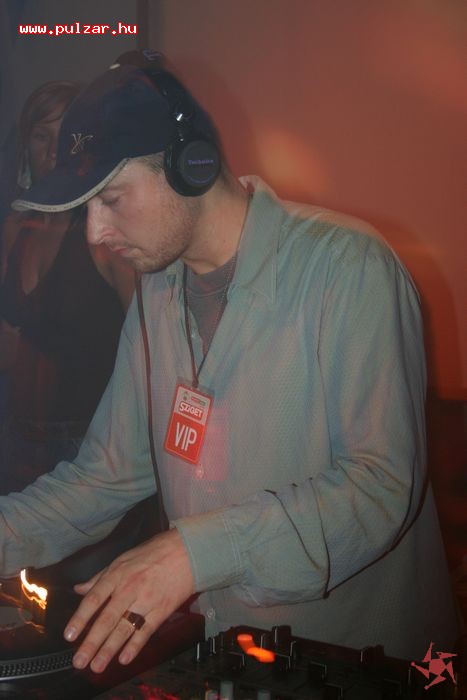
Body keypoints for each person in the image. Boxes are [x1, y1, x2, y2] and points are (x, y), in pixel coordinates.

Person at [0, 53, 459, 675]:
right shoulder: (156, 293)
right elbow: (106, 475)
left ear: (189, 166)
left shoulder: (348, 268)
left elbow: (379, 486)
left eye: (110, 198)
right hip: (231, 660)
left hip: (363, 665)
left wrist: (192, 555)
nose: (95, 233)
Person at [0, 81, 157, 584]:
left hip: (86, 448)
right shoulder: (16, 230)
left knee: (76, 596)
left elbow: (153, 345)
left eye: (64, 134)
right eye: (40, 136)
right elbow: (11, 345)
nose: (53, 150)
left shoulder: (104, 235)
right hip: (19, 441)